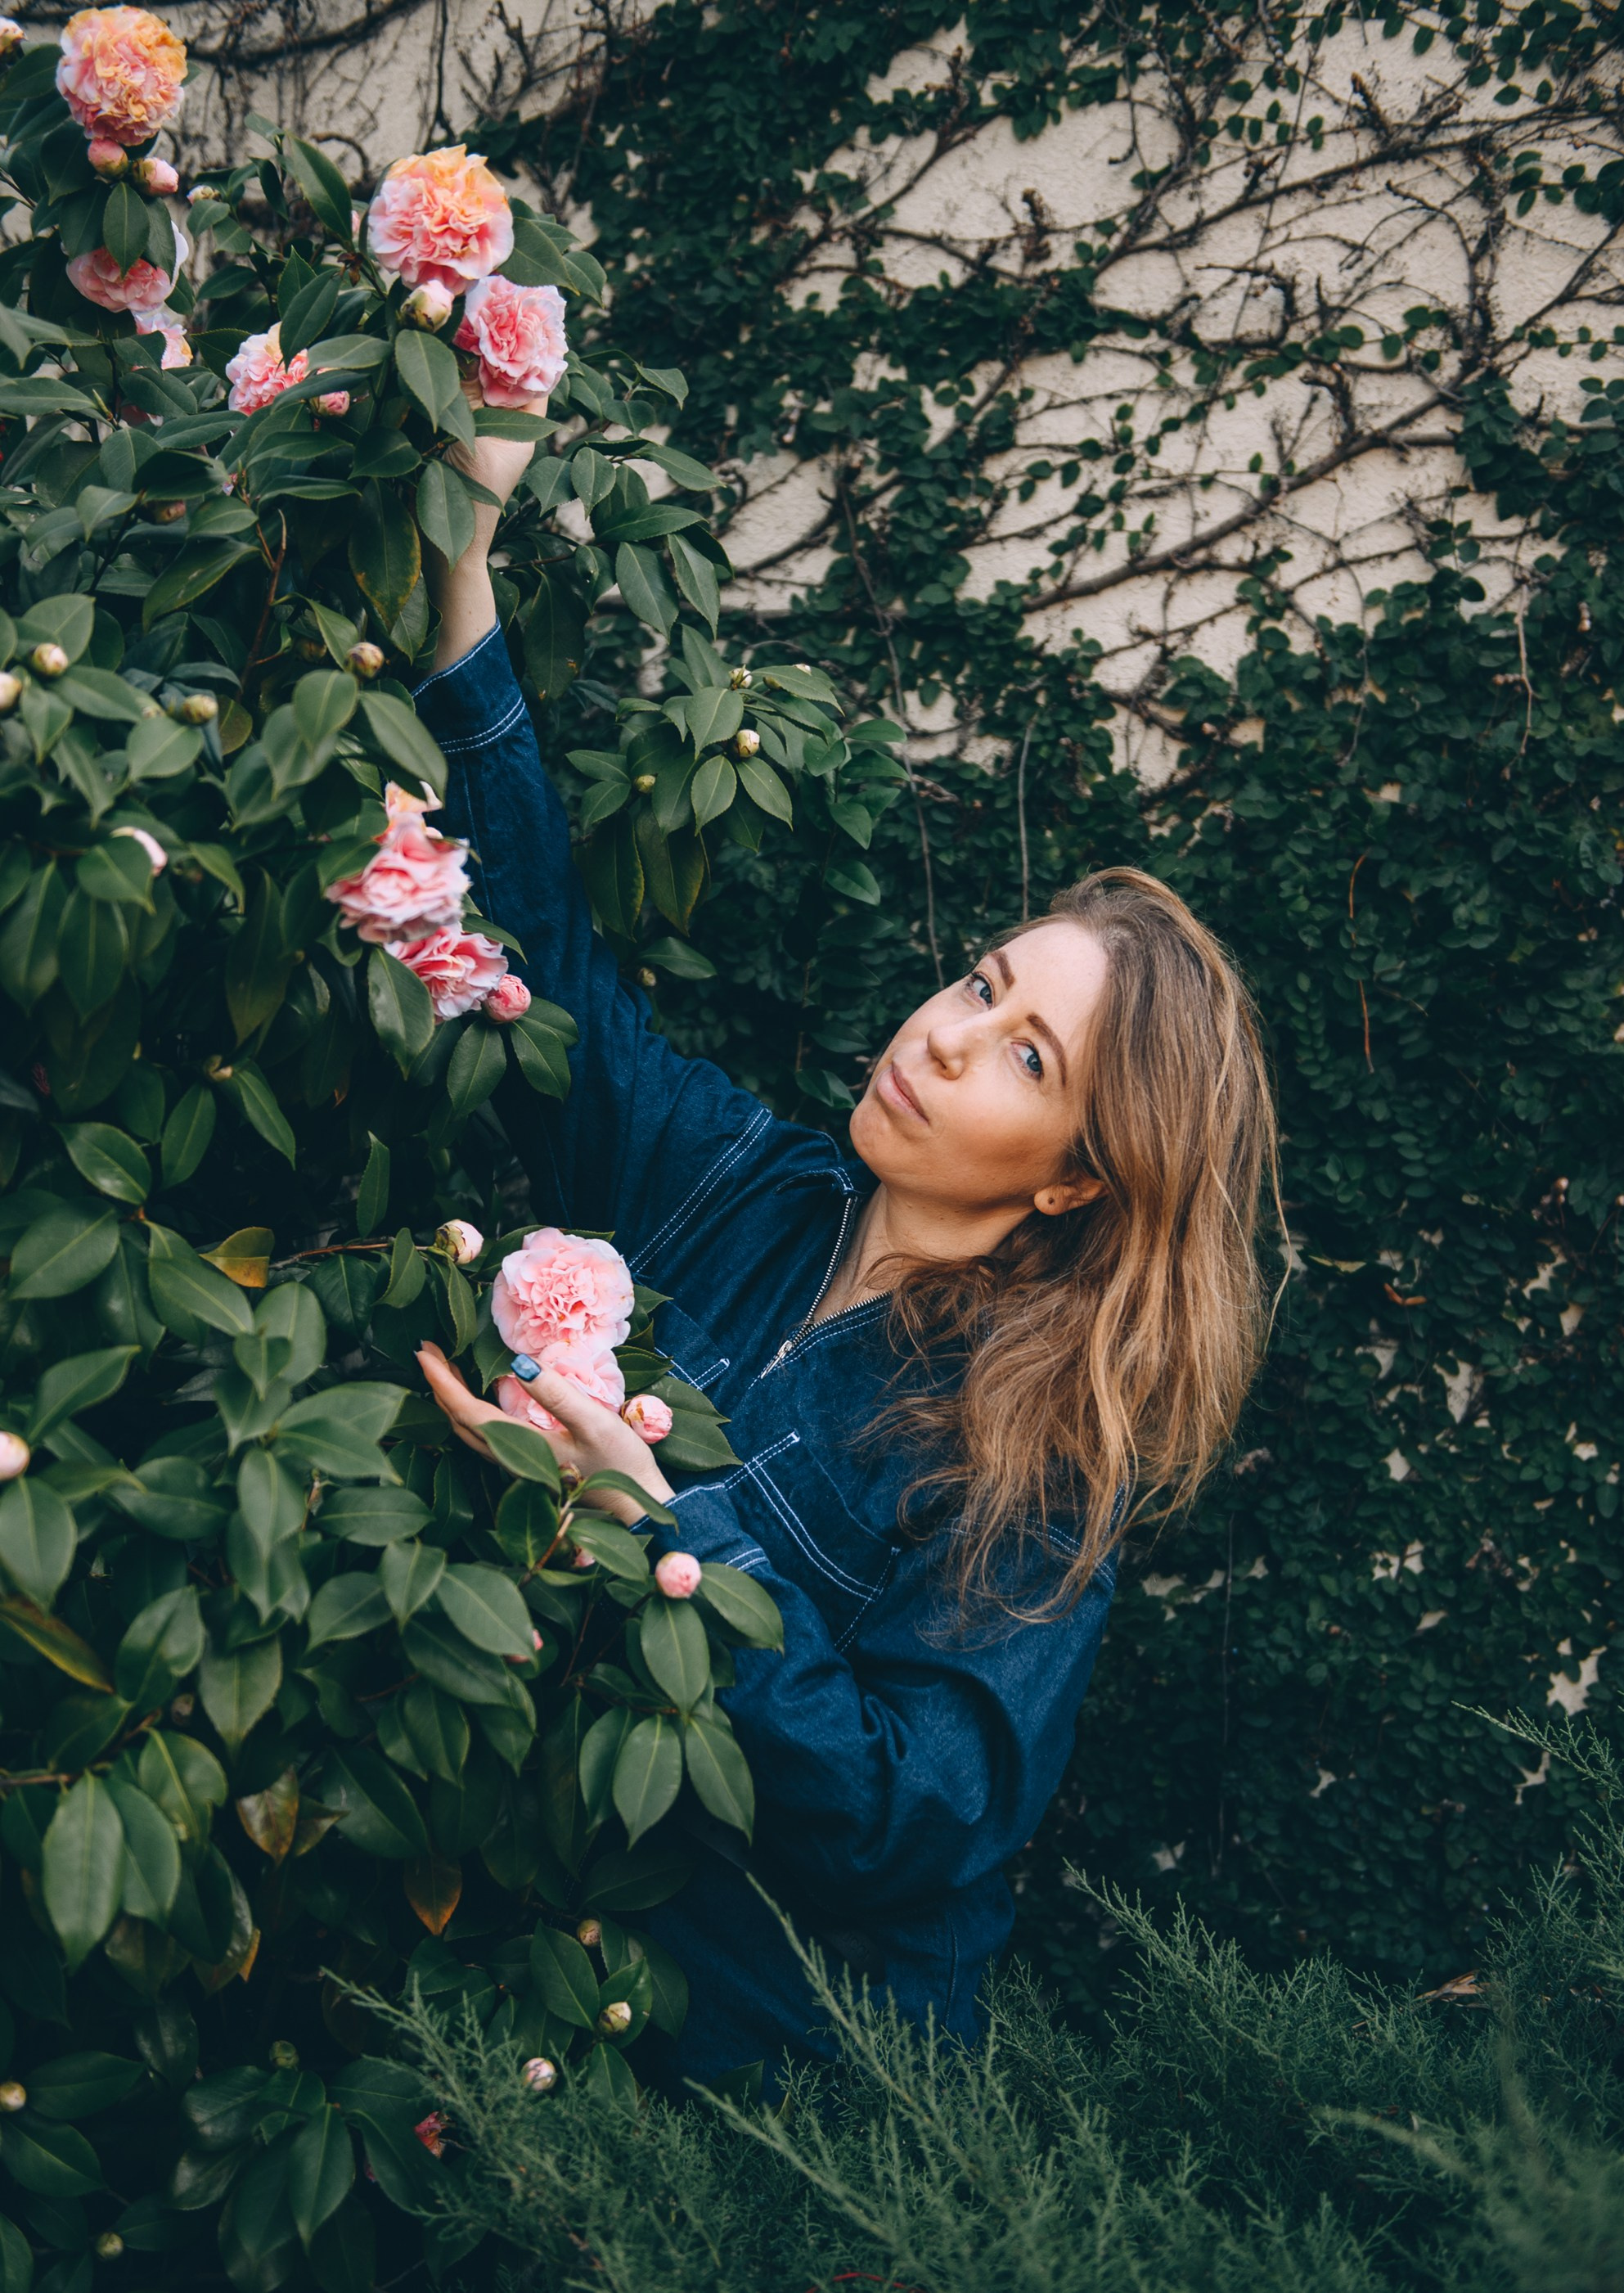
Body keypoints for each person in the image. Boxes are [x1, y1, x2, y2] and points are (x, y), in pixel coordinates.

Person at [413, 412, 1280, 2098]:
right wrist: (463, 566)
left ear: (1083, 1186)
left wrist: (667, 1533)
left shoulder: (1033, 1453)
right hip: (520, 1997)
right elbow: (542, 972)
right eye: (979, 984)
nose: (952, 1040)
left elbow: (903, 1820)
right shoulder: (749, 1186)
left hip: (764, 2105)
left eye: (1029, 1057)